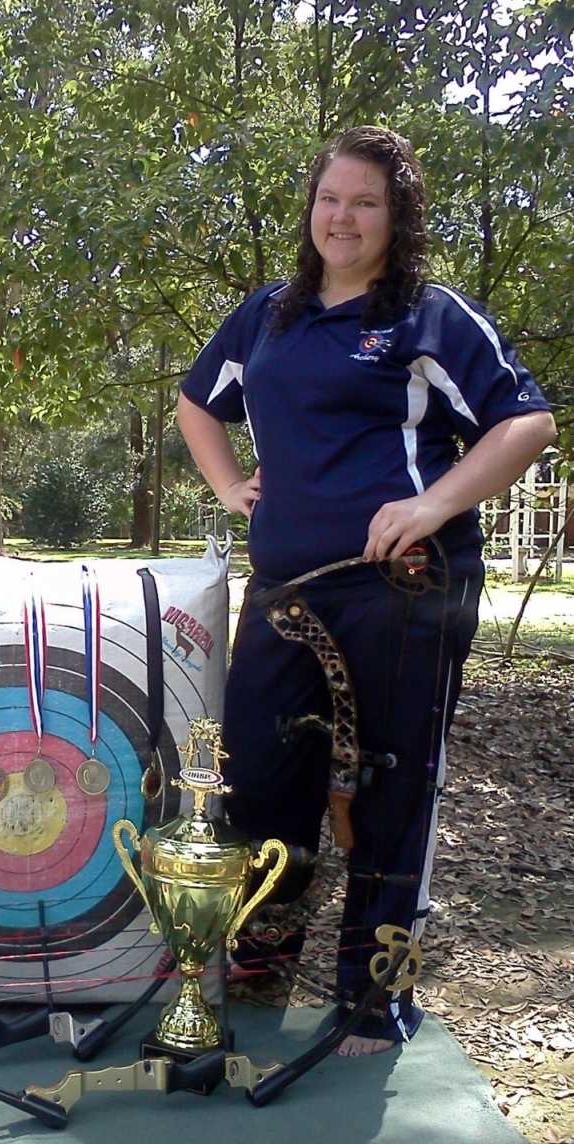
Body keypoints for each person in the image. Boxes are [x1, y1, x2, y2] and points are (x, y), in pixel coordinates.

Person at [177, 126, 556, 1056]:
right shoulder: (266, 314)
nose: (341, 217)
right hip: (285, 591)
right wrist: (232, 487)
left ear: (397, 218)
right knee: (261, 777)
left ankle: (372, 999)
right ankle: (261, 970)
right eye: (329, 198)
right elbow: (198, 401)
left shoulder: (433, 318)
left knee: (392, 787)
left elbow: (527, 423)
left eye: (366, 202)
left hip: (405, 593)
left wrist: (434, 503)